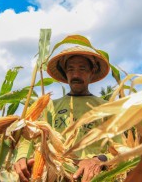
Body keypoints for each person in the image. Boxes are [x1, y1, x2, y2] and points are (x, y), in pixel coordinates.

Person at [14, 41, 113, 182]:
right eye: (70, 69)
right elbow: (31, 135)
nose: (75, 75)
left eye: (82, 69)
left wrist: (99, 160)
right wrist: (22, 157)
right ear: (65, 73)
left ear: (92, 72)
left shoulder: (106, 108)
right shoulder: (50, 106)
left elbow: (121, 150)